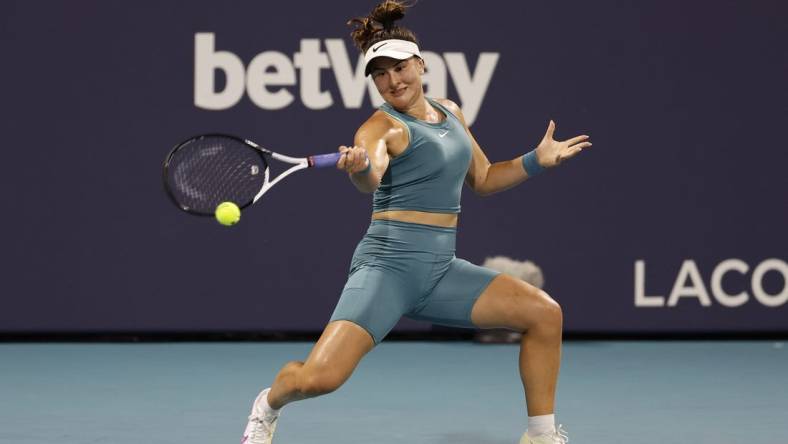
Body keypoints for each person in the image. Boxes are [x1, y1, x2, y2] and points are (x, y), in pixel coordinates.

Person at [241, 1, 591, 443]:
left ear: (420, 64)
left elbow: (483, 179)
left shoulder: (451, 113)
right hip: (385, 270)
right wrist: (361, 168)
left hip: (441, 272)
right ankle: (268, 404)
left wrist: (536, 161)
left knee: (545, 314)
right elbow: (372, 178)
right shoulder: (379, 127)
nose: (392, 82)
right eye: (380, 75)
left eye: (399, 68)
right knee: (319, 380)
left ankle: (541, 437)